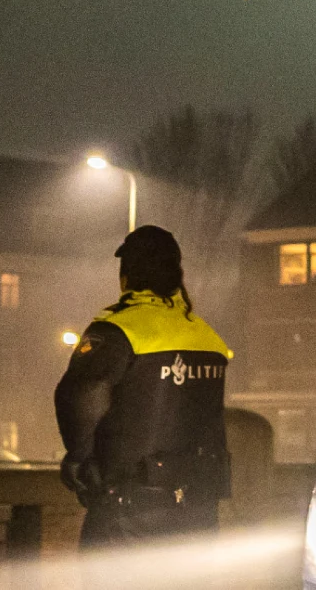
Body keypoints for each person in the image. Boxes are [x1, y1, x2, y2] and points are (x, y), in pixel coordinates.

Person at [55, 225, 232, 546]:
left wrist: (80, 459)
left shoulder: (120, 329)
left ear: (127, 275)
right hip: (199, 511)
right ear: (177, 274)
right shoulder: (207, 336)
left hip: (131, 508)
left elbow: (82, 394)